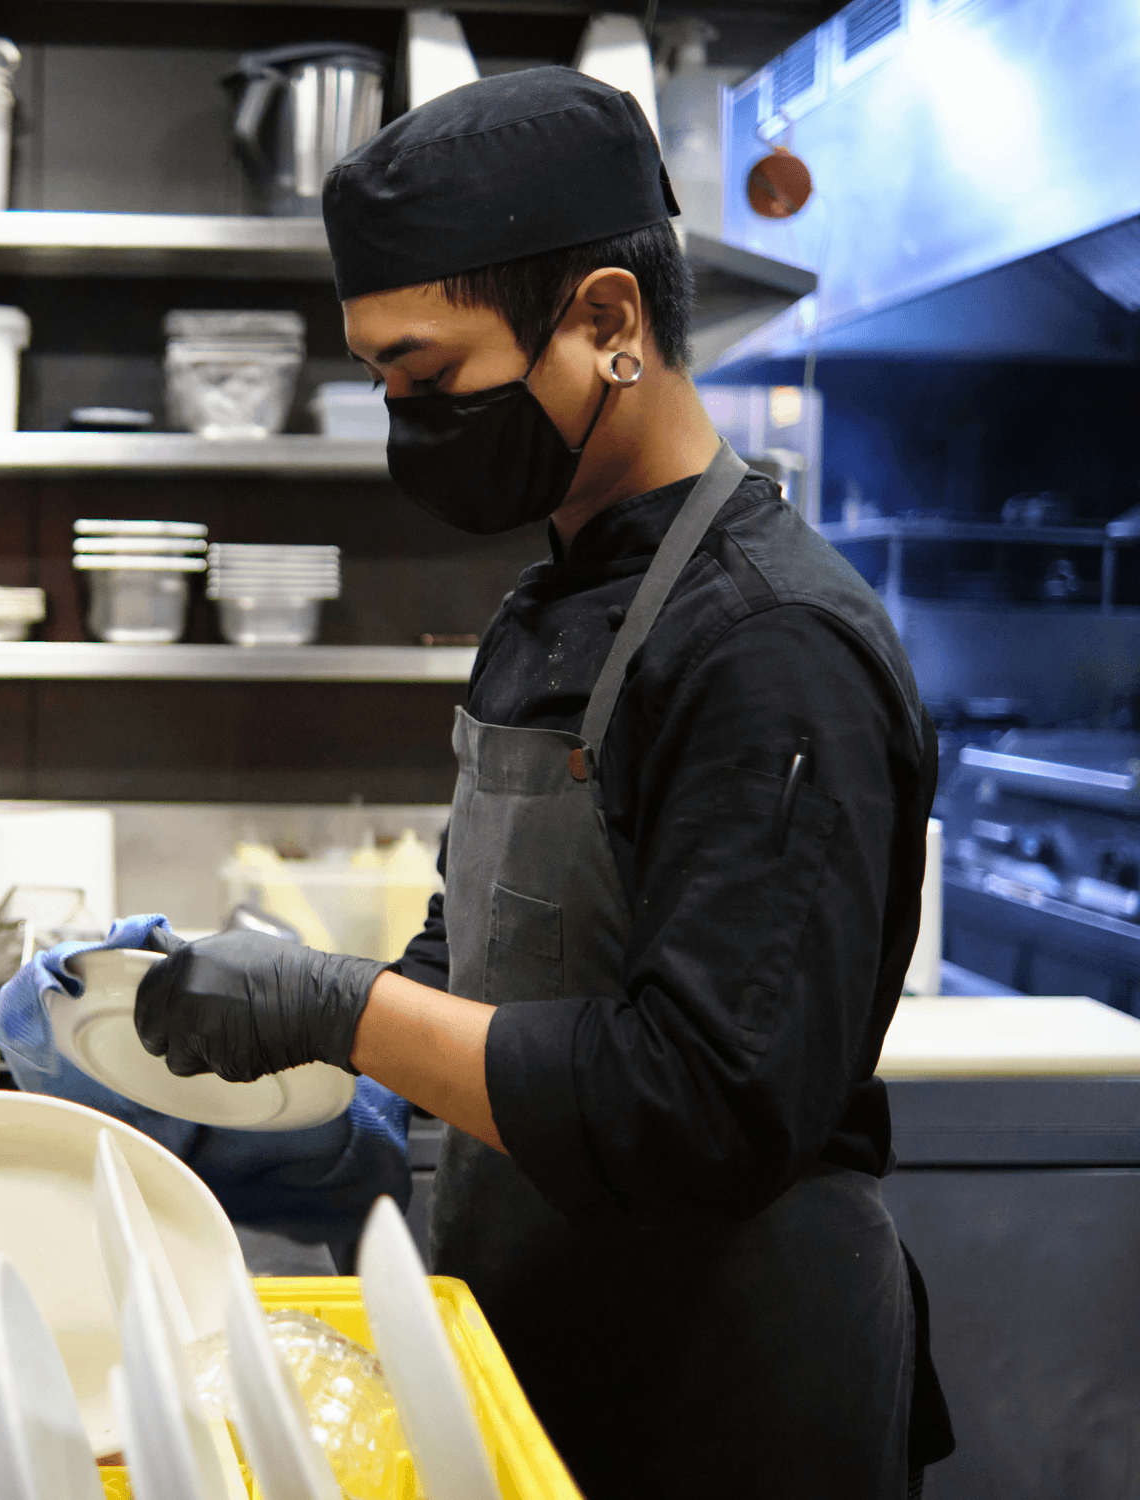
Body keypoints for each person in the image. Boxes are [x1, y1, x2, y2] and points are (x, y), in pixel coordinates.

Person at [135, 68, 953, 1499]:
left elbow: (706, 1104)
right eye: (381, 379)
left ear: (605, 322)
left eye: (429, 375)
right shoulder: (548, 609)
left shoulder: (771, 648)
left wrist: (333, 1005)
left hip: (734, 1380)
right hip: (539, 1326)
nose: (405, 422)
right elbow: (482, 958)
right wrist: (350, 1104)